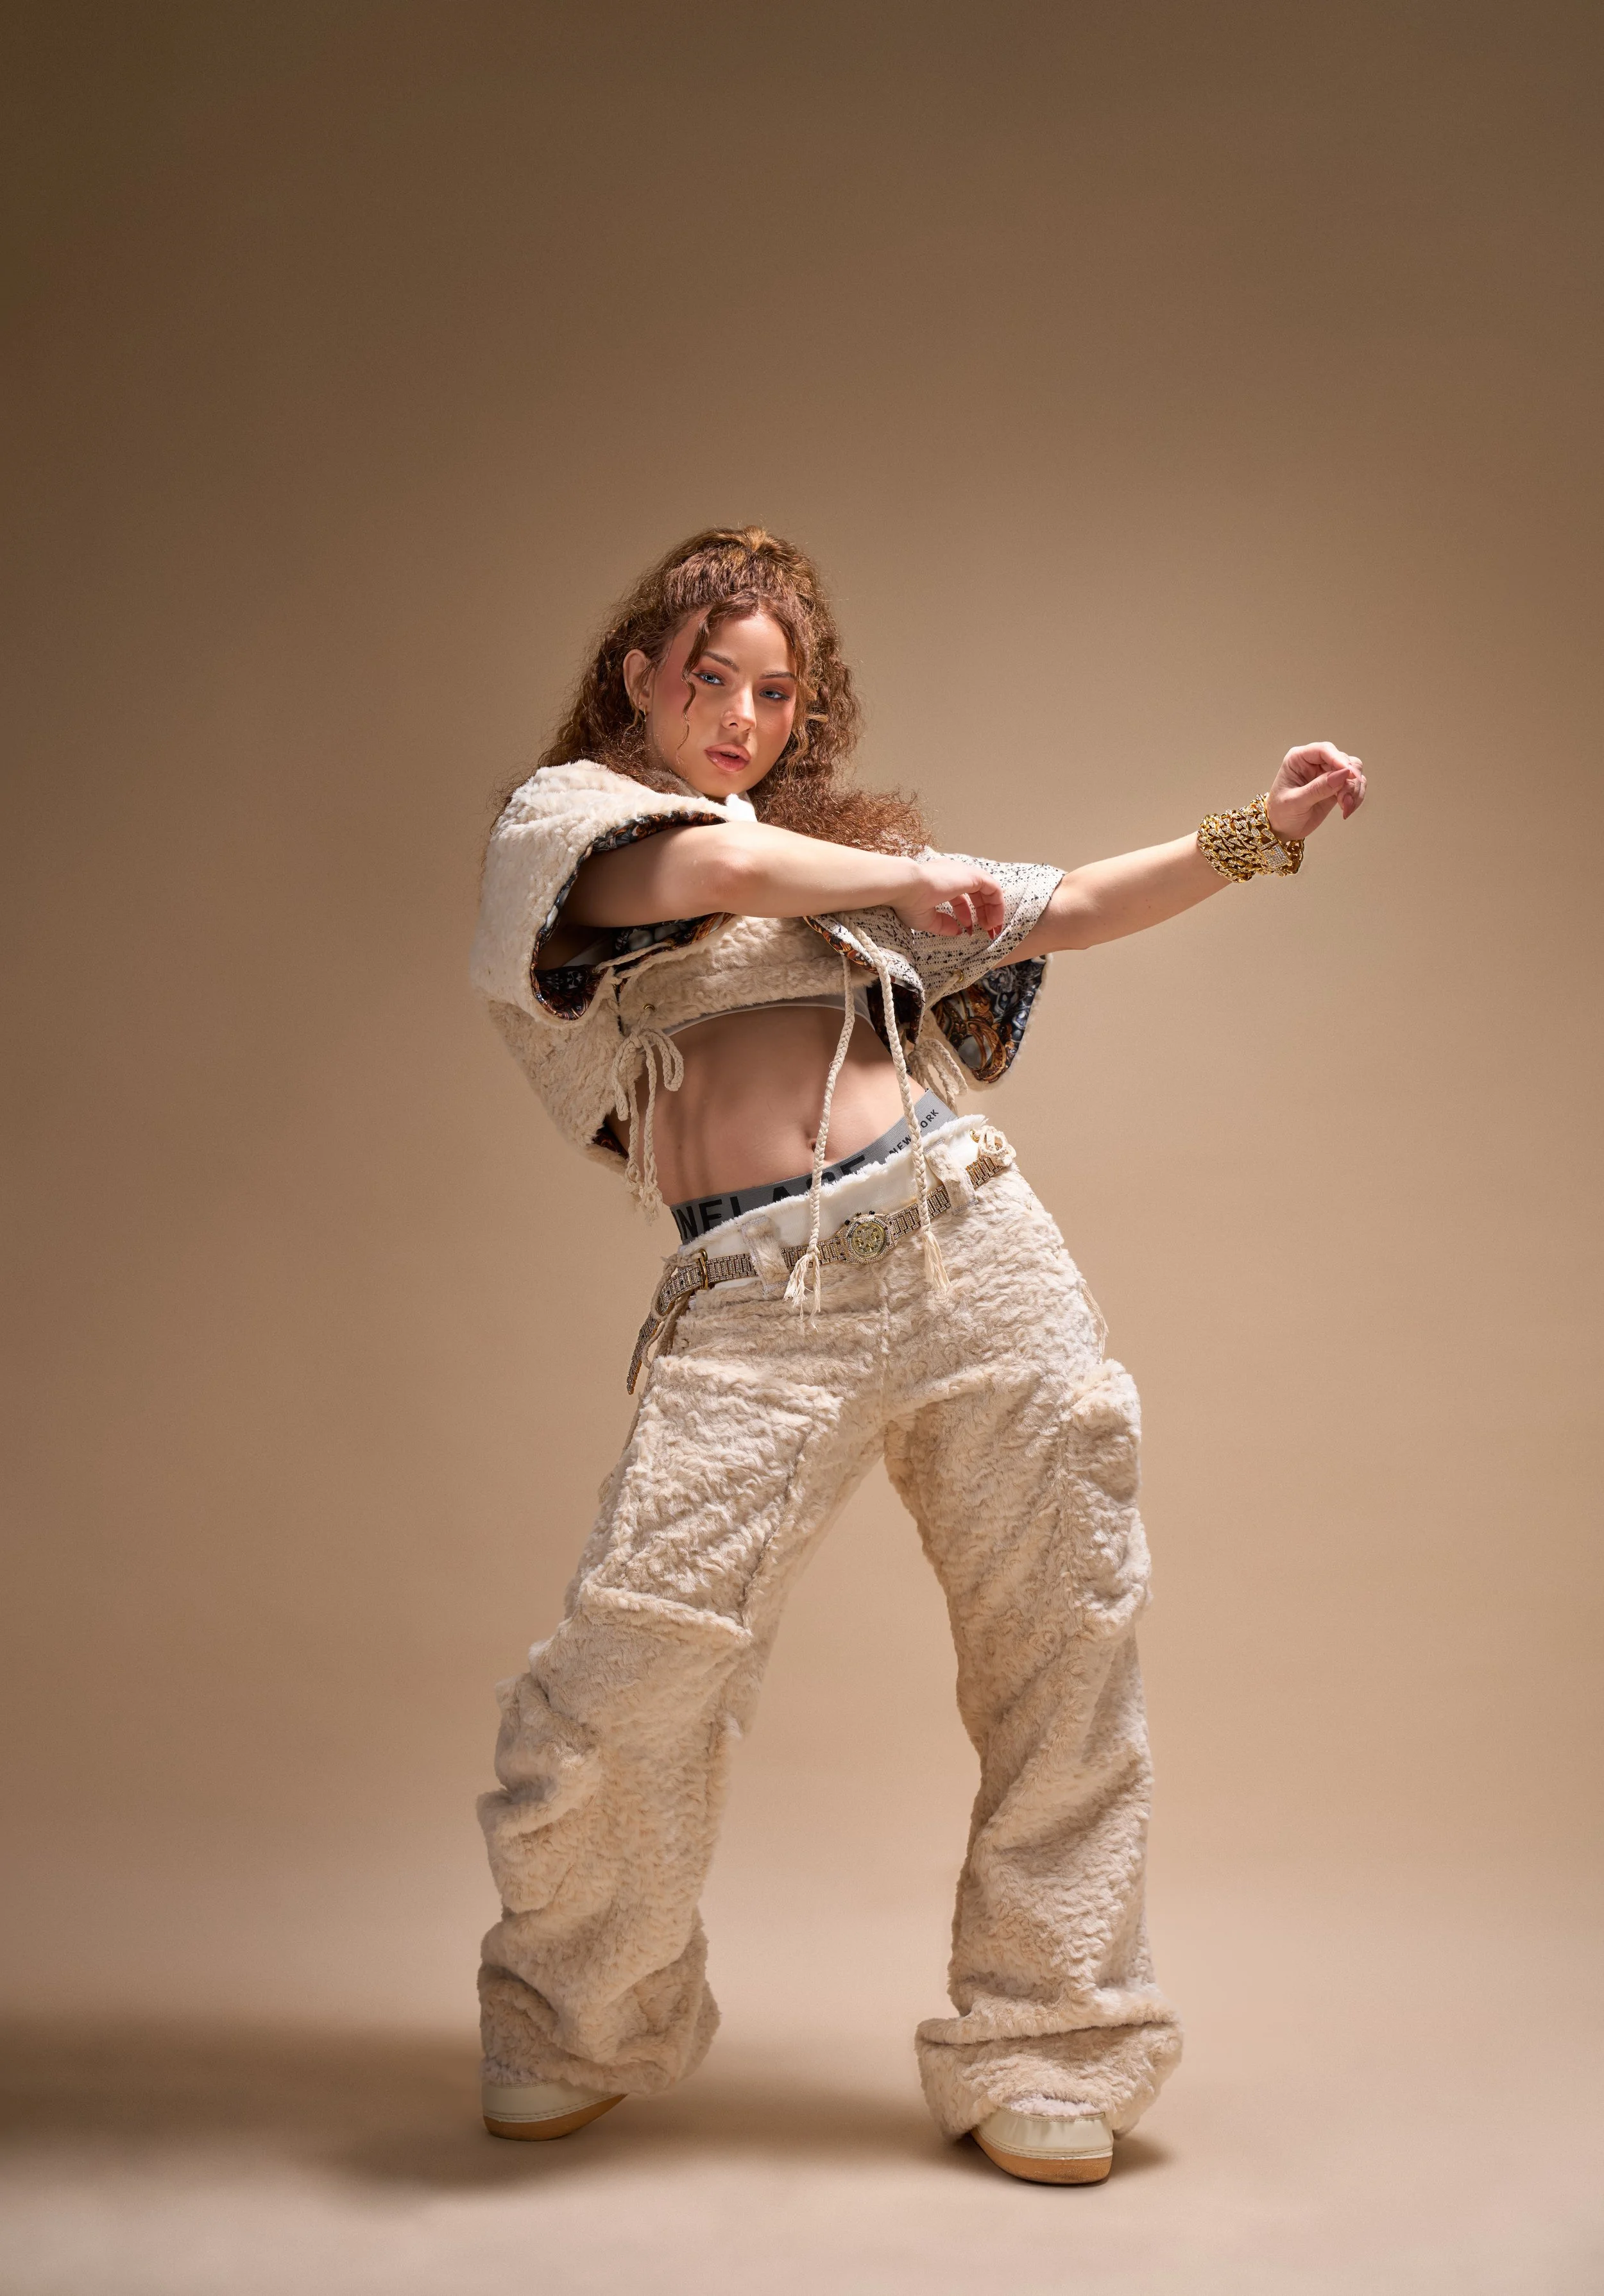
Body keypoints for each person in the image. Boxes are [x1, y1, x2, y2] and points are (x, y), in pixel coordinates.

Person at [468, 527, 1366, 2184]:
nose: (737, 714)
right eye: (708, 678)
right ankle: (575, 2012)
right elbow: (713, 876)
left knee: (1062, 1650)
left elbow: (1078, 907)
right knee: (628, 1666)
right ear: (637, 678)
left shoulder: (841, 867)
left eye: (771, 689)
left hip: (972, 1251)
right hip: (754, 1301)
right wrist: (894, 880)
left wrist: (1262, 829)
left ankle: (1050, 2044)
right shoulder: (577, 826)